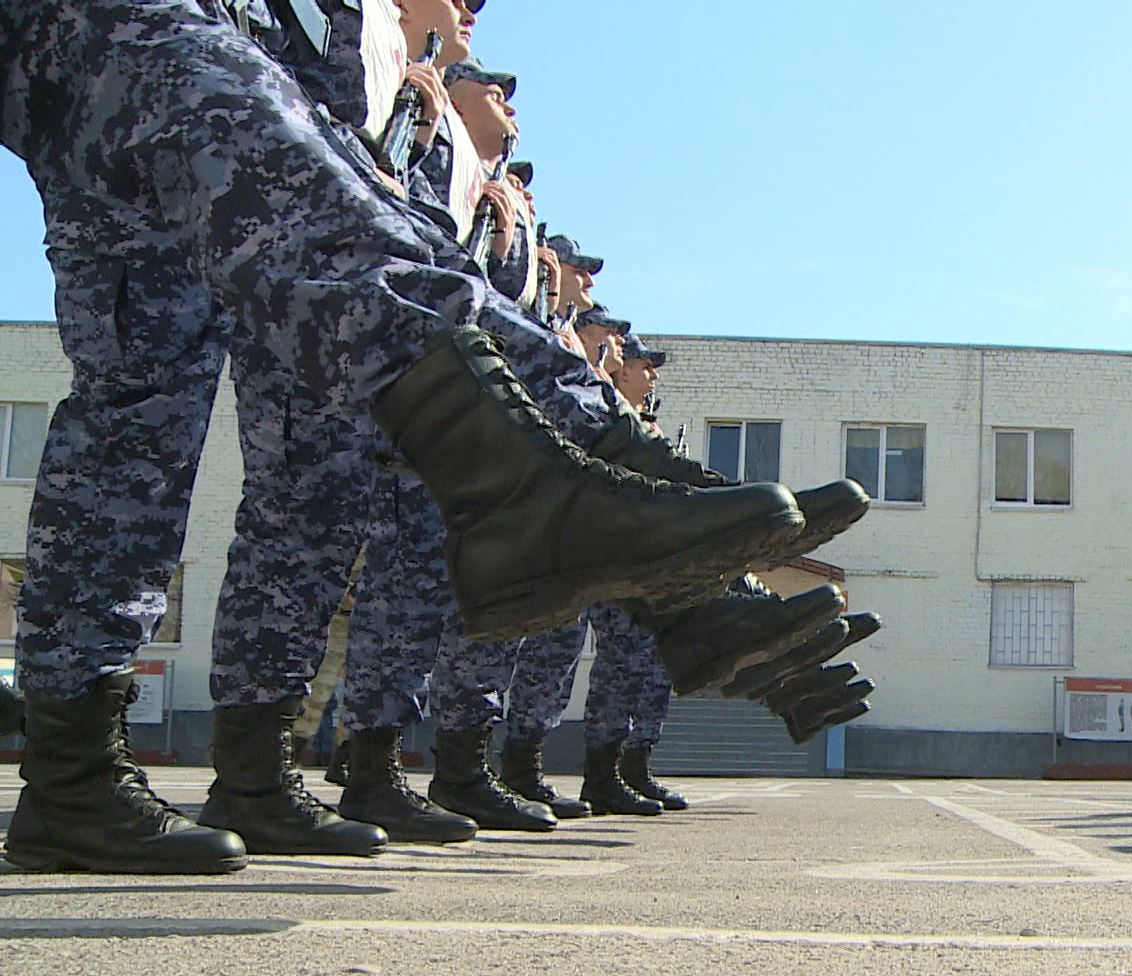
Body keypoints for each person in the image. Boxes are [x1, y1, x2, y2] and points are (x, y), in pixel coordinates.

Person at [0, 0, 834, 874]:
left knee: (139, 432)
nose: (475, 18)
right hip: (124, 49)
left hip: (157, 106)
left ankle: (88, 776)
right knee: (231, 458)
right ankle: (565, 516)